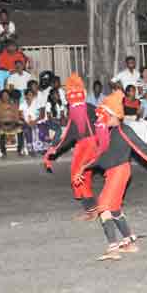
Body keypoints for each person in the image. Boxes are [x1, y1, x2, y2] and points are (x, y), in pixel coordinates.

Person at [72, 91, 147, 260]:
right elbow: (101, 157)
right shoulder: (109, 133)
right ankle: (129, 243)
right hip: (114, 173)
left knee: (103, 207)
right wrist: (83, 168)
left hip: (120, 171)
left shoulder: (124, 130)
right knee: (115, 208)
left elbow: (142, 148)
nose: (101, 117)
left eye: (105, 113)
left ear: (113, 114)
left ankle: (112, 248)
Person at [43, 73, 98, 221]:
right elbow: (70, 134)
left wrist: (55, 149)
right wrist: (55, 148)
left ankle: (92, 211)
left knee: (78, 176)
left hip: (89, 146)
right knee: (82, 176)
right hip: (86, 145)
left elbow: (70, 135)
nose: (74, 99)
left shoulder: (86, 109)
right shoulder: (81, 109)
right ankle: (92, 209)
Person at [0, 89, 23, 157]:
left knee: (20, 130)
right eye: (3, 95)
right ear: (1, 97)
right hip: (2, 124)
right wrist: (2, 125)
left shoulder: (14, 105)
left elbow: (16, 117)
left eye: (7, 95)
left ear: (9, 96)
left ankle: (20, 150)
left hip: (13, 124)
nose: (5, 97)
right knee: (1, 132)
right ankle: (3, 151)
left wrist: (12, 124)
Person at [19, 88, 43, 156]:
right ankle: (30, 149)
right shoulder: (22, 104)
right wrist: (27, 122)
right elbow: (20, 116)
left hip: (36, 121)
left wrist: (34, 121)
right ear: (25, 96)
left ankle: (38, 148)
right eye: (28, 95)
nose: (30, 96)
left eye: (31, 95)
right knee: (27, 129)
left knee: (39, 129)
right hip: (25, 122)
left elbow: (40, 115)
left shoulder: (37, 103)